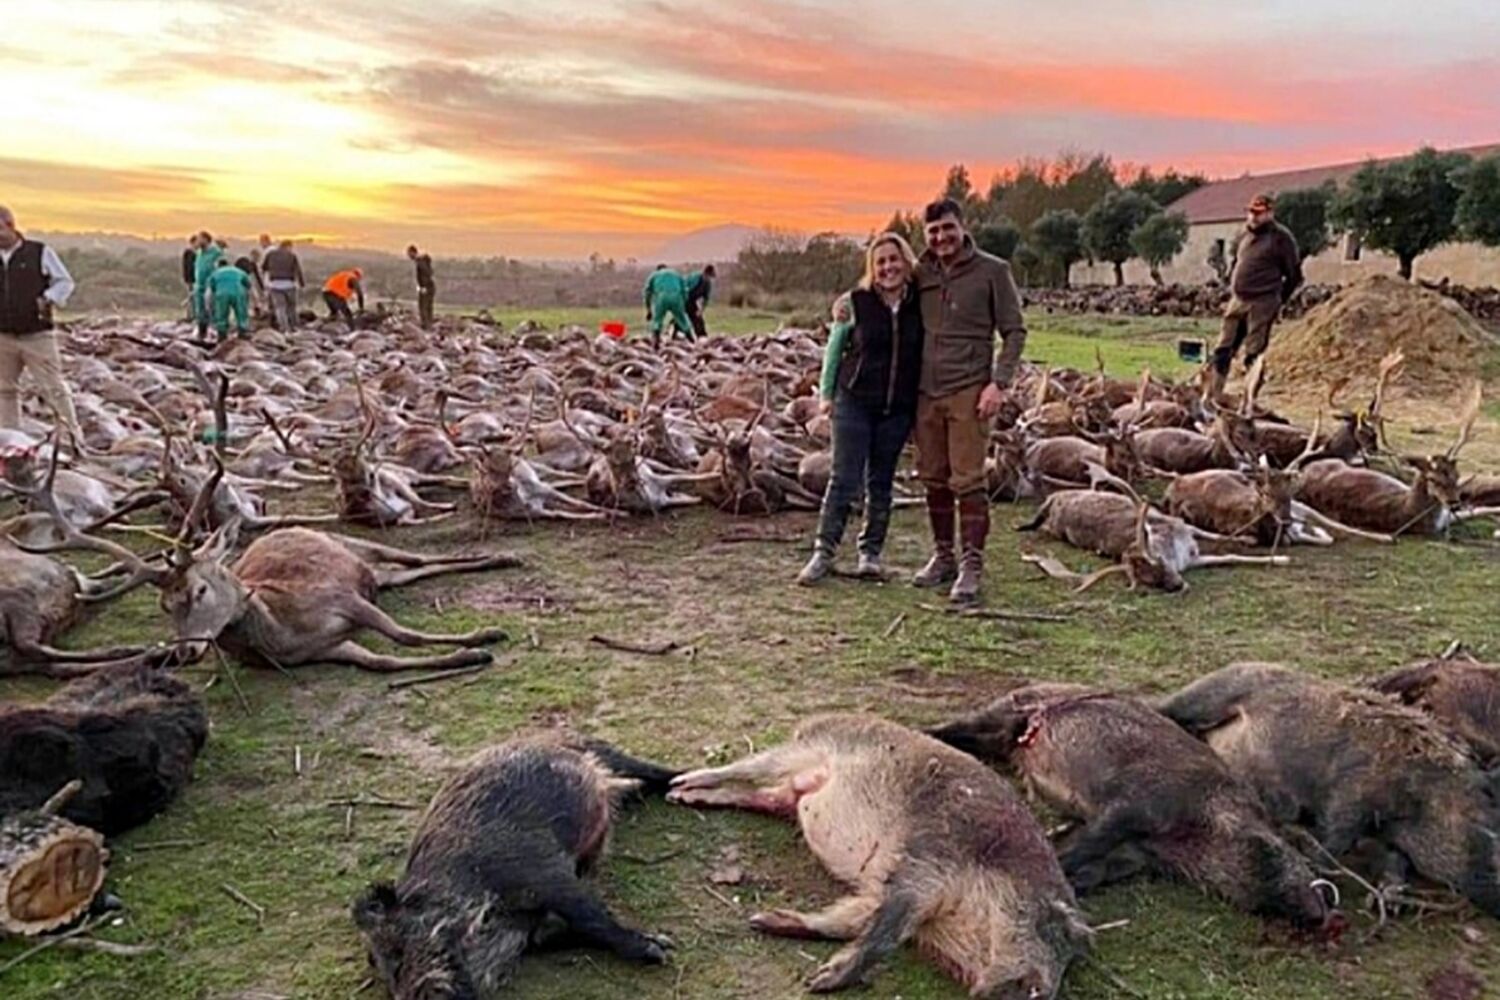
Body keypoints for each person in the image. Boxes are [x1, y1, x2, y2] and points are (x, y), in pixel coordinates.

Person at [909, 198, 1026, 605]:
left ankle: (972, 564)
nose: (941, 237)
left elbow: (1014, 331)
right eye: (933, 231)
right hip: (925, 392)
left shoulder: (993, 271)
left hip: (969, 391)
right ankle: (943, 557)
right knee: (933, 476)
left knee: (968, 480)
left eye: (947, 228)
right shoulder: (919, 273)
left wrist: (999, 383)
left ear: (962, 227)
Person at [797, 235, 924, 585]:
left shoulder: (921, 304)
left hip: (897, 408)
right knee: (844, 478)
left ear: (906, 262)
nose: (888, 267)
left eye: (894, 259)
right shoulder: (855, 302)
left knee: (881, 482)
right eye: (880, 262)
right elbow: (834, 349)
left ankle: (870, 553)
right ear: (872, 267)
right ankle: (823, 552)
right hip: (854, 402)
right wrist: (826, 395)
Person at [1209, 193, 1302, 401]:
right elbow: (1238, 262)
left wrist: (1277, 300)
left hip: (1262, 302)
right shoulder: (1245, 235)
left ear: (1270, 213)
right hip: (1238, 300)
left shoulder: (1281, 238)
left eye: (1258, 213)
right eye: (1251, 212)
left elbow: (1294, 276)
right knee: (1223, 349)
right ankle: (1215, 394)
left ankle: (1249, 399)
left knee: (1253, 353)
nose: (1253, 217)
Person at [0, 205, 80, 439]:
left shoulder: (39, 252)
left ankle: (71, 439)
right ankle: (10, 441)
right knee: (4, 390)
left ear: (10, 226)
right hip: (3, 336)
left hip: (37, 335)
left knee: (53, 388)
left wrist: (47, 299)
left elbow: (64, 281)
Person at [642, 264, 692, 350]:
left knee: (657, 320)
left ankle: (656, 344)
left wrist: (649, 309)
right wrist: (683, 304)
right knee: (683, 320)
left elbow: (647, 293)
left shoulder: (654, 275)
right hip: (676, 297)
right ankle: (691, 340)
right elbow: (685, 290)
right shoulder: (676, 274)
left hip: (662, 298)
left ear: (658, 270)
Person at [262, 238, 304, 331]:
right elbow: (298, 271)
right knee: (291, 307)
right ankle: (294, 327)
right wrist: (302, 284)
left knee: (280, 307)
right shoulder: (292, 256)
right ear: (288, 246)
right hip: (289, 284)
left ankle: (284, 328)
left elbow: (264, 267)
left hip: (274, 285)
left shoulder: (270, 254)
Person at [207, 257, 251, 340]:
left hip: (222, 293)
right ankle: (242, 331)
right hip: (237, 292)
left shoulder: (215, 273)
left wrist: (210, 307)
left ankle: (222, 333)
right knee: (241, 311)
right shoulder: (239, 271)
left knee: (221, 313)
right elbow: (248, 284)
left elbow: (212, 289)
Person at [191, 230, 224, 338]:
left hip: (211, 286)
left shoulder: (216, 252)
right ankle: (201, 331)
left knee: (212, 308)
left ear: (206, 239)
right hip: (199, 285)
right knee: (200, 311)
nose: (197, 241)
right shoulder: (199, 253)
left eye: (199, 238)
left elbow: (219, 268)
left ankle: (216, 331)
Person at [684, 263, 716, 340]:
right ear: (705, 274)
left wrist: (701, 310)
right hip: (685, 298)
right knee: (683, 318)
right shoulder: (695, 278)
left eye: (710, 278)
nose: (708, 279)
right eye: (708, 277)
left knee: (698, 319)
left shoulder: (708, 284)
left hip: (692, 301)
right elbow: (685, 289)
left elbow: (706, 299)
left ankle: (702, 337)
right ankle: (678, 335)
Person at [408, 244, 435, 329]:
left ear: (413, 252)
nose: (409, 256)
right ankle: (429, 324)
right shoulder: (422, 261)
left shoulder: (420, 262)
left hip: (426, 287)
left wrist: (423, 287)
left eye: (409, 253)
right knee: (428, 306)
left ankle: (426, 325)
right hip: (429, 286)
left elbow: (425, 275)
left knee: (423, 306)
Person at [235, 248, 265, 321]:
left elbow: (257, 276)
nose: (257, 260)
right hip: (241, 282)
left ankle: (256, 310)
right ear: (252, 255)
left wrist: (262, 288)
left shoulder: (253, 264)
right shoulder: (243, 260)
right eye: (256, 258)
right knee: (247, 297)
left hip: (248, 282)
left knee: (254, 296)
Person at [181, 234, 199, 322]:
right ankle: (190, 315)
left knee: (192, 297)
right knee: (192, 297)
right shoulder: (190, 253)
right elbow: (189, 267)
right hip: (191, 279)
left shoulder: (191, 253)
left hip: (190, 279)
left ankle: (192, 314)